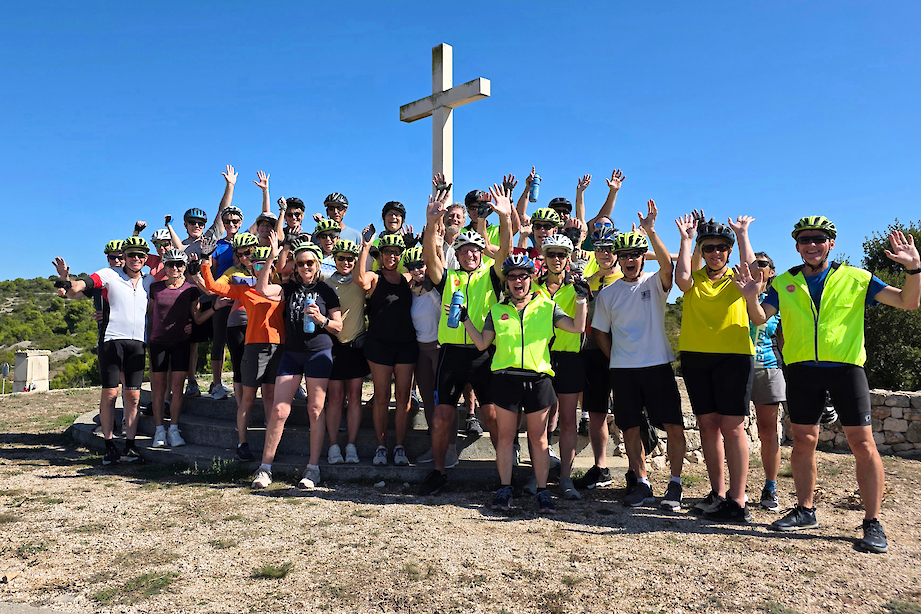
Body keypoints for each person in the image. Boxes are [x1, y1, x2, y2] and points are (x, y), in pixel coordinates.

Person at [734, 217, 920, 553]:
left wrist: (914, 270)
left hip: (847, 369)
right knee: (803, 441)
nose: (811, 244)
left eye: (819, 239)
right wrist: (750, 296)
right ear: (797, 245)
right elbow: (760, 317)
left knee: (862, 444)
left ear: (831, 243)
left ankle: (872, 521)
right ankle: (805, 510)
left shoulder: (856, 277)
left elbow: (908, 302)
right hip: (803, 370)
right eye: (805, 240)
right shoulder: (785, 281)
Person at [463, 253, 588, 514]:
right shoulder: (497, 310)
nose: (517, 281)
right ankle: (505, 488)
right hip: (507, 380)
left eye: (523, 276)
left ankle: (543, 492)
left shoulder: (547, 306)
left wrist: (580, 298)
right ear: (506, 282)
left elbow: (577, 327)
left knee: (539, 440)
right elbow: (482, 344)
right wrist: (465, 319)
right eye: (512, 277)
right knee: (506, 438)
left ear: (531, 279)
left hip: (539, 380)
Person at [418, 182, 513, 495]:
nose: (470, 253)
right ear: (456, 254)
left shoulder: (490, 274)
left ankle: (505, 470)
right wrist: (433, 221)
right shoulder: (449, 276)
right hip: (452, 354)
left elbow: (507, 254)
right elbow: (430, 257)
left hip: (484, 353)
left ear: (481, 251)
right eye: (463, 250)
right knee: (444, 413)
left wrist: (505, 219)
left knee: (491, 413)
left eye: (475, 249)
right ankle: (439, 471)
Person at [592, 201, 687, 510]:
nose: (630, 260)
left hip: (657, 365)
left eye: (635, 254)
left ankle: (675, 484)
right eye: (625, 256)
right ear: (618, 260)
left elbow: (667, 266)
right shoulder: (607, 294)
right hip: (624, 370)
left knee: (673, 426)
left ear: (642, 257)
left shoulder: (654, 283)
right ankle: (642, 482)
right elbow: (600, 333)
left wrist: (650, 231)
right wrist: (615, 357)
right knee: (630, 427)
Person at [675, 213, 756, 523]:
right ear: (702, 250)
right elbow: (681, 278)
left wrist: (743, 233)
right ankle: (718, 493)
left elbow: (755, 275)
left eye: (722, 247)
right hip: (696, 356)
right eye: (708, 248)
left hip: (733, 356)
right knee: (707, 425)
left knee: (733, 427)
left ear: (729, 251)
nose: (715, 253)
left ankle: (738, 500)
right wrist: (686, 240)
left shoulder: (739, 278)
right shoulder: (694, 279)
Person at [56, 236, 158, 464]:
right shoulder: (109, 275)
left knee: (133, 397)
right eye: (131, 255)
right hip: (112, 340)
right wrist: (66, 280)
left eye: (141, 255)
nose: (136, 259)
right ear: (124, 257)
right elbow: (78, 289)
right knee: (110, 394)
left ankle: (130, 446)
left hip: (137, 343)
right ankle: (109, 444)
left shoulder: (149, 281)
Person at [251, 235, 342, 490]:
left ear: (318, 264)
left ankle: (313, 468)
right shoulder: (288, 288)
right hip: (291, 353)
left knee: (315, 410)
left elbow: (338, 326)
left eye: (310, 263)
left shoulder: (326, 291)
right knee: (279, 410)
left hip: (318, 352)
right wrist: (271, 256)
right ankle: (265, 467)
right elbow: (262, 290)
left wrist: (321, 319)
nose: (305, 268)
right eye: (300, 263)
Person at [202, 242, 284, 463]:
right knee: (247, 399)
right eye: (256, 264)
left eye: (265, 264)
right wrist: (204, 260)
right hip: (254, 346)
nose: (260, 268)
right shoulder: (245, 289)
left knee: (270, 396)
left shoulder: (280, 288)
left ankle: (270, 445)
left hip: (277, 347)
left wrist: (276, 256)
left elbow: (270, 286)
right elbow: (212, 286)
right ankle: (242, 443)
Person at [355, 233, 418, 466]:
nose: (391, 256)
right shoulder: (374, 276)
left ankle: (399, 446)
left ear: (400, 256)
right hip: (379, 344)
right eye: (387, 252)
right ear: (380, 256)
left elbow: (429, 273)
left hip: (406, 345)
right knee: (381, 397)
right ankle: (381, 447)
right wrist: (365, 247)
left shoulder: (407, 278)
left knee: (404, 398)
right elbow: (360, 279)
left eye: (396, 252)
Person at [572, 228, 623, 491]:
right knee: (596, 413)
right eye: (600, 247)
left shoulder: (627, 276)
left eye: (611, 248)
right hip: (593, 350)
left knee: (630, 413)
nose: (605, 253)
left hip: (625, 351)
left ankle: (638, 474)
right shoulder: (590, 280)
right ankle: (601, 467)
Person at [534, 234, 585, 500]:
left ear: (568, 258)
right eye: (552, 254)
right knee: (539, 422)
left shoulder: (577, 286)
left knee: (567, 420)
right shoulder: (533, 286)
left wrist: (582, 296)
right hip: (540, 356)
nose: (557, 259)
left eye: (562, 255)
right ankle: (537, 475)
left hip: (569, 357)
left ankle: (565, 477)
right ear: (544, 257)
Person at [147, 249, 209, 448]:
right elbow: (146, 313)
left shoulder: (191, 289)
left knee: (177, 389)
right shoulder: (155, 288)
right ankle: (159, 430)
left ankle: (173, 429)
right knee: (158, 389)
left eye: (179, 264)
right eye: (170, 264)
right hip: (158, 342)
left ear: (184, 267)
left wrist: (216, 308)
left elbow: (197, 317)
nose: (175, 268)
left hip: (181, 342)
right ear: (164, 266)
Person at [404, 245, 459, 468]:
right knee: (428, 400)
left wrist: (431, 290)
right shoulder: (411, 289)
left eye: (420, 265)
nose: (416, 270)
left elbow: (444, 310)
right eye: (411, 267)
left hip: (439, 347)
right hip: (421, 349)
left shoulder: (436, 286)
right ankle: (435, 445)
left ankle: (451, 449)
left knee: (445, 401)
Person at [323, 239, 370, 465]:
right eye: (341, 258)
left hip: (355, 346)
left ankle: (351, 445)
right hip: (332, 346)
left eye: (351, 259)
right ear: (334, 259)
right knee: (334, 398)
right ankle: (333, 446)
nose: (346, 262)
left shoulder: (362, 282)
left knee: (354, 397)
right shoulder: (324, 280)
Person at [746, 252, 786, 511]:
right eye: (752, 264)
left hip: (769, 368)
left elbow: (785, 339)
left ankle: (770, 487)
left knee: (768, 431)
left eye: (762, 264)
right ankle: (732, 488)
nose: (757, 268)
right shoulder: (736, 294)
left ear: (772, 271)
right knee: (731, 430)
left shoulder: (779, 301)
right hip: (736, 368)